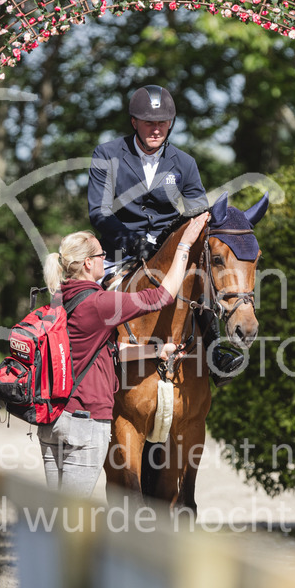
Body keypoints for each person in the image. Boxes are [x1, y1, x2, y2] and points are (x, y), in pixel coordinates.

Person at [37, 213, 209, 497]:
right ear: (89, 263)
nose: (106, 259)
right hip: (85, 421)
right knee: (72, 515)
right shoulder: (100, 303)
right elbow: (161, 297)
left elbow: (108, 351)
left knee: (59, 507)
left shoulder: (59, 298)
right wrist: (184, 245)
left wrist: (155, 350)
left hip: (52, 422)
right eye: (102, 255)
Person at [86, 84, 243, 384]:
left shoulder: (184, 163)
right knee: (88, 297)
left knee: (201, 284)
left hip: (170, 250)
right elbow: (99, 212)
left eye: (162, 123)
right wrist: (133, 242)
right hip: (121, 248)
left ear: (170, 124)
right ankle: (84, 367)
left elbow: (198, 212)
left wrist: (186, 243)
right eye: (149, 122)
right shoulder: (107, 154)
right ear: (134, 122)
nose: (156, 129)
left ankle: (215, 353)